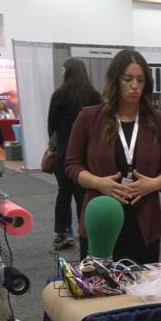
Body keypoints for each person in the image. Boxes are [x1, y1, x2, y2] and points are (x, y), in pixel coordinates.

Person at [65, 49, 161, 264]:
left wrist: (154, 184)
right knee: (98, 288)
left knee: (143, 290)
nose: (134, 86)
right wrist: (98, 182)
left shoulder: (159, 121)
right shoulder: (89, 117)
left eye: (140, 80)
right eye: (128, 79)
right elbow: (71, 165)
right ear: (116, 80)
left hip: (144, 221)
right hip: (101, 218)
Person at [47, 58, 102, 251]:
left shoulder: (59, 94)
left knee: (63, 192)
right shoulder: (94, 95)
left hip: (63, 150)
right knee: (84, 194)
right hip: (86, 153)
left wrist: (54, 145)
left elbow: (51, 124)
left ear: (67, 71)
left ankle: (62, 233)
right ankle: (85, 231)